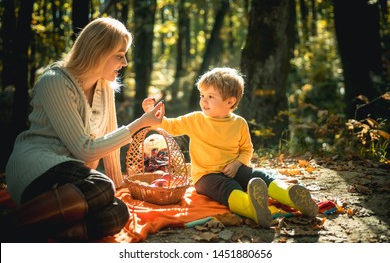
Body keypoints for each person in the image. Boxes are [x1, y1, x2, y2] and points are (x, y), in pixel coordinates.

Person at [1, 17, 165, 242]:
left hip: (75, 177)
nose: (125, 62)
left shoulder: (105, 87)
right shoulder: (55, 82)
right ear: (98, 52)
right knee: (100, 185)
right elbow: (84, 150)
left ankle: (42, 235)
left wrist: (117, 188)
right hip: (36, 167)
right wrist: (141, 123)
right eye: (119, 55)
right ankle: (8, 227)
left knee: (118, 212)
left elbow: (109, 145)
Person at [142, 67, 318, 228]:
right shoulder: (196, 119)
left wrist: (237, 164)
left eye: (211, 96)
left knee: (260, 176)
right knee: (228, 187)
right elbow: (170, 126)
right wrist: (153, 115)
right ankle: (252, 209)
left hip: (235, 167)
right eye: (202, 95)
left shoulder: (239, 124)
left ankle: (292, 197)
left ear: (230, 102)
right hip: (206, 177)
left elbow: (247, 150)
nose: (204, 101)